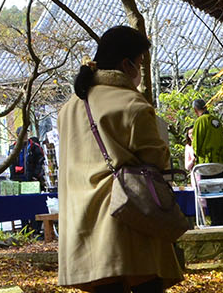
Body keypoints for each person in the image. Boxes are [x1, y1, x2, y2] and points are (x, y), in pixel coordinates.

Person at [56, 26, 182, 293]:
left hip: (83, 226)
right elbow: (157, 161)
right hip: (128, 220)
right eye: (139, 63)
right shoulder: (131, 104)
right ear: (126, 64)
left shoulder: (69, 109)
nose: (140, 71)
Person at [187, 99, 223, 225]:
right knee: (221, 191)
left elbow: (197, 144)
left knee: (210, 191)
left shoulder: (200, 121)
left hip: (207, 164)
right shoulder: (215, 120)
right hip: (220, 163)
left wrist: (196, 155)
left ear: (195, 110)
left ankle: (216, 220)